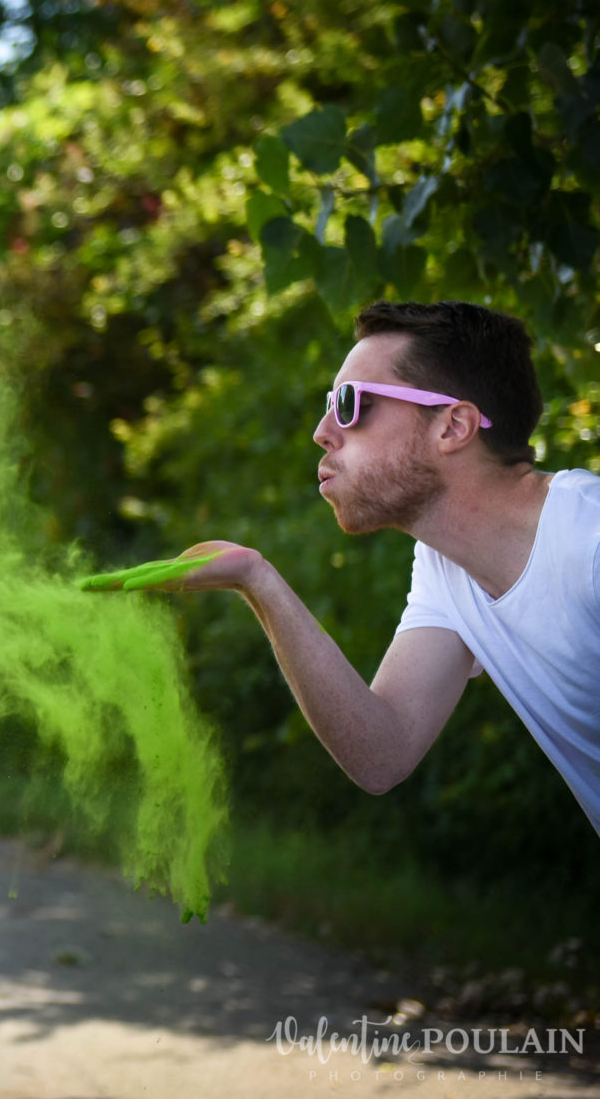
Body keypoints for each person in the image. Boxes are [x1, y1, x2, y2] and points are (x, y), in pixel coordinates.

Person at [81, 300, 600, 835]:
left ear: (453, 426)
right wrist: (257, 580)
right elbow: (383, 753)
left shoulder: (591, 544)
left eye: (351, 403)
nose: (323, 431)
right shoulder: (446, 566)